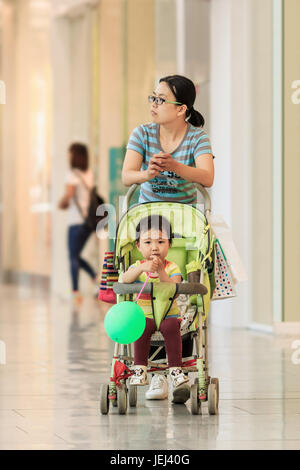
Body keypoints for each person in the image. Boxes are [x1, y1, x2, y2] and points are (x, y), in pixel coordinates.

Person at [121, 74, 215, 399]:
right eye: (153, 97)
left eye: (161, 100)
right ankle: (156, 373)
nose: (153, 104)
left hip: (184, 221)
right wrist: (147, 174)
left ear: (181, 109)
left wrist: (175, 165)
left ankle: (177, 368)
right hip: (149, 217)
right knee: (148, 286)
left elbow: (207, 176)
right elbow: (126, 176)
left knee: (181, 291)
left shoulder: (197, 138)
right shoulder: (143, 133)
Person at [122, 215, 190, 404]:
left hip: (168, 313)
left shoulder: (172, 267)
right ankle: (140, 368)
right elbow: (124, 280)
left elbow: (174, 287)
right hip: (145, 315)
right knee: (140, 329)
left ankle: (175, 369)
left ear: (169, 245)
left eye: (161, 241)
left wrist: (160, 272)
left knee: (171, 328)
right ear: (138, 246)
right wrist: (142, 268)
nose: (154, 247)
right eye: (148, 242)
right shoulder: (137, 266)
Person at [58, 143, 97, 304]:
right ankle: (96, 279)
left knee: (73, 257)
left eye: (70, 153)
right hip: (88, 222)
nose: (68, 156)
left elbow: (68, 196)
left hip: (76, 221)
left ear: (75, 155)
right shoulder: (89, 174)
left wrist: (62, 202)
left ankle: (75, 291)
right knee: (75, 256)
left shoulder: (72, 175)